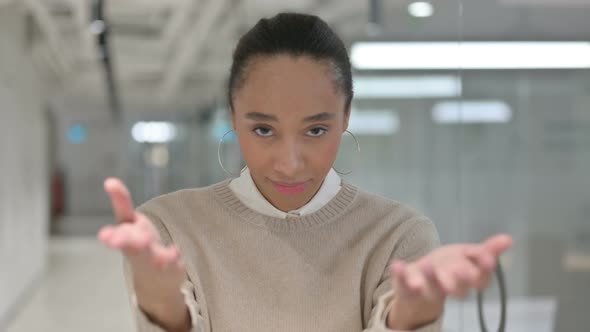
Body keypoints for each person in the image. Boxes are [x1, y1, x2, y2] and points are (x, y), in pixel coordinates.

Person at [98, 13, 512, 332]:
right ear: (233, 115)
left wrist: (410, 315)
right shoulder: (169, 227)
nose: (289, 162)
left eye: (316, 130)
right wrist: (163, 306)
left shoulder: (398, 234)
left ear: (346, 116)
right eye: (263, 129)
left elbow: (401, 310)